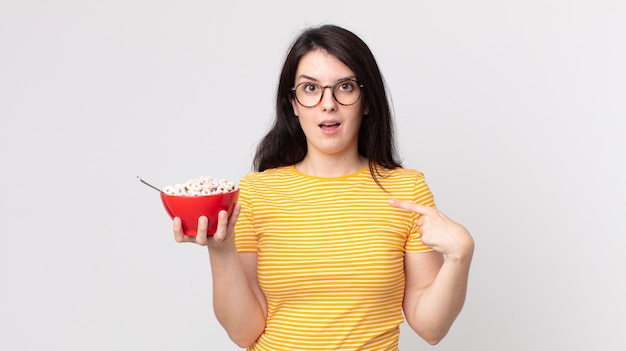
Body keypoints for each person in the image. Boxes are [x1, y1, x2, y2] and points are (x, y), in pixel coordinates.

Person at [173, 24, 474, 351]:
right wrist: (221, 250)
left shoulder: (407, 189)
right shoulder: (256, 192)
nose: (327, 103)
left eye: (344, 87)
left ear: (367, 101)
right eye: (310, 88)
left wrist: (460, 255)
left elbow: (431, 328)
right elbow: (243, 333)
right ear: (293, 103)